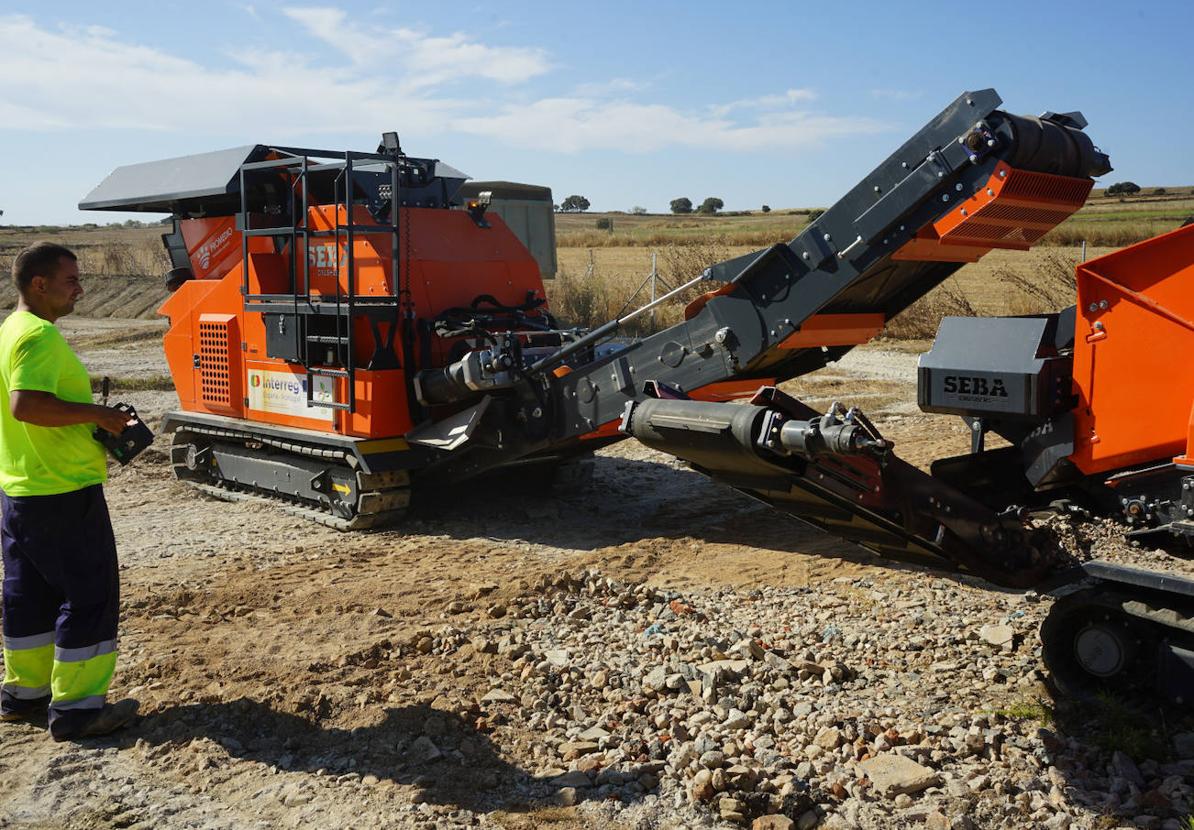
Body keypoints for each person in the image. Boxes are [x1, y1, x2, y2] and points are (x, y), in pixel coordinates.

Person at [0, 242, 139, 741]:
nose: (80, 287)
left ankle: (24, 694)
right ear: (39, 284)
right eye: (71, 279)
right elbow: (27, 405)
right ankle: (79, 711)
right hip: (62, 491)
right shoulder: (37, 337)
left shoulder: (10, 330)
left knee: (27, 597)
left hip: (21, 490)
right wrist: (100, 416)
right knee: (88, 597)